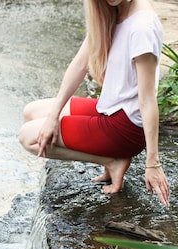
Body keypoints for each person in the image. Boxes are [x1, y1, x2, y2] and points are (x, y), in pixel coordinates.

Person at [19, 0, 170, 206]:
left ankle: (112, 160)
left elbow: (147, 98)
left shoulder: (142, 26)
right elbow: (80, 65)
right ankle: (110, 159)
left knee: (28, 137)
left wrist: (153, 162)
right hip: (109, 109)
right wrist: (53, 117)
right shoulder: (110, 11)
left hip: (125, 127)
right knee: (32, 111)